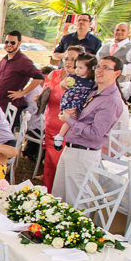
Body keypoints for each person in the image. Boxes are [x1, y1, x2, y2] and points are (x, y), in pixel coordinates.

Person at [50, 56, 126, 204]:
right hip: (70, 149)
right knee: (58, 198)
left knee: (76, 203)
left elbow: (95, 134)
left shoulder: (111, 100)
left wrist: (69, 120)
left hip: (83, 154)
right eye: (98, 66)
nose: (99, 70)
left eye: (106, 68)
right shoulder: (94, 91)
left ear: (117, 73)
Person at [40, 48, 80, 189]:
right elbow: (45, 94)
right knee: (49, 163)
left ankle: (59, 194)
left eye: (74, 59)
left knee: (60, 165)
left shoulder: (81, 80)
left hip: (66, 129)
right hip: (50, 123)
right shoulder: (54, 74)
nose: (69, 62)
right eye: (67, 58)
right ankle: (47, 193)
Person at [51, 54, 98, 151]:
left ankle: (62, 136)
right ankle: (60, 136)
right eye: (76, 67)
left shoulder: (92, 81)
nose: (77, 70)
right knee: (71, 119)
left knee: (75, 120)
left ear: (89, 69)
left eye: (80, 68)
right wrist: (64, 84)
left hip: (82, 104)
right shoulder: (73, 77)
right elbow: (63, 86)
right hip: (71, 101)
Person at [0, 30, 44, 114]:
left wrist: (22, 93)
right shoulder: (5, 59)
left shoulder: (23, 61)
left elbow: (39, 77)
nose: (9, 44)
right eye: (7, 42)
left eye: (12, 42)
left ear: (19, 43)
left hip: (12, 106)